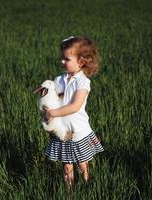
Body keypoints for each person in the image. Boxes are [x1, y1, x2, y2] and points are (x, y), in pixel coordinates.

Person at [44, 36, 104, 191]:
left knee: (82, 163)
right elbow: (53, 99)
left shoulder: (83, 82)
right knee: (66, 167)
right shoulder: (59, 80)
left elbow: (75, 106)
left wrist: (53, 113)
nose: (62, 62)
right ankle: (69, 192)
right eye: (62, 58)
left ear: (81, 61)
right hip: (62, 131)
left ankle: (87, 186)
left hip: (78, 131)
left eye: (67, 59)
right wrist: (46, 106)